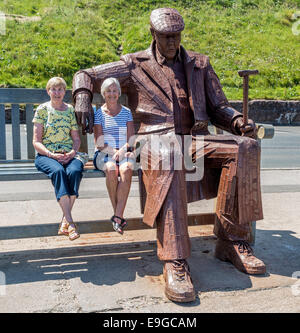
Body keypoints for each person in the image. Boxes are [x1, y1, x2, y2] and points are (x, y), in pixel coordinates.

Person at [72, 8, 266, 302]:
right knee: (169, 153)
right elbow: (86, 74)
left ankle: (232, 239)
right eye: (166, 37)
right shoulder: (133, 64)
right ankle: (175, 260)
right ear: (153, 34)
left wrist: (238, 121)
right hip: (154, 141)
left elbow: (219, 107)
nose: (173, 42)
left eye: (176, 36)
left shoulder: (199, 64)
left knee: (245, 147)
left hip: (195, 138)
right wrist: (83, 96)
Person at [33, 77, 82, 241]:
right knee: (59, 172)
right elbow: (36, 142)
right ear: (48, 91)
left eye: (60, 89)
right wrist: (51, 155)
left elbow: (76, 139)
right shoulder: (42, 110)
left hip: (68, 154)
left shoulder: (69, 110)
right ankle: (70, 222)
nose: (57, 92)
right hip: (46, 155)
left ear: (64, 92)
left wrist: (73, 152)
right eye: (53, 89)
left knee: (75, 170)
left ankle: (64, 221)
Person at [93, 77, 135, 235]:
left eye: (114, 90)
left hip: (124, 151)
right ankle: (118, 216)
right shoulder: (99, 114)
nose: (112, 94)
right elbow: (99, 142)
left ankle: (117, 217)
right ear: (104, 93)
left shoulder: (126, 112)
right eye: (108, 91)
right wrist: (113, 152)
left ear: (119, 93)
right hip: (105, 152)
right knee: (111, 169)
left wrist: (121, 151)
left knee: (127, 169)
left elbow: (131, 138)